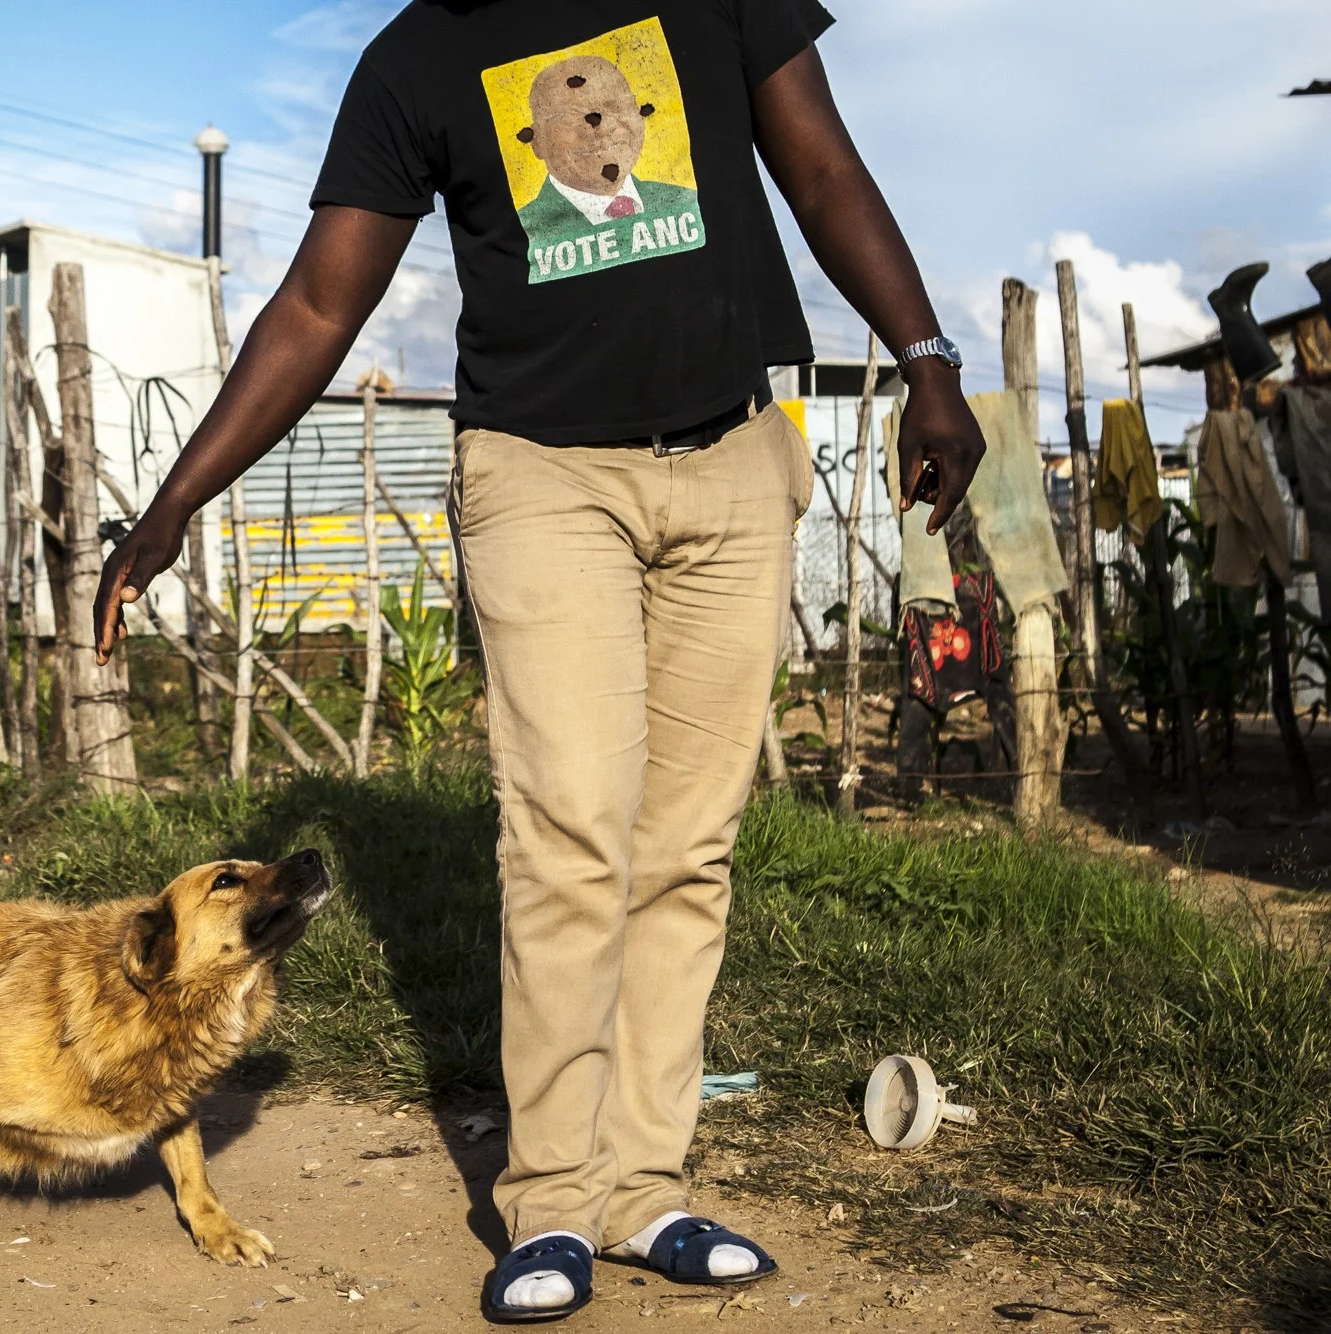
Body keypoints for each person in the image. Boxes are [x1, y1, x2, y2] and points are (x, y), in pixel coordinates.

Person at [93, 2, 984, 1323]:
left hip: (735, 463)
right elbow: (321, 299)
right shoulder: (416, 58)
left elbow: (822, 165)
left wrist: (927, 360)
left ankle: (643, 1187)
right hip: (542, 479)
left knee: (686, 846)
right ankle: (554, 1199)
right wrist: (176, 500)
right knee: (570, 835)